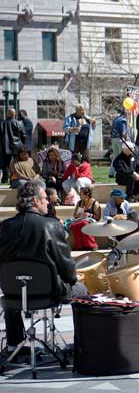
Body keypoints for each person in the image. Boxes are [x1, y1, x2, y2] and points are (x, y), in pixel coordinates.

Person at [0, 181, 87, 354]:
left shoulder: (4, 227)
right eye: (45, 198)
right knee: (82, 290)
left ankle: (13, 346)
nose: (48, 202)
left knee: (14, 282)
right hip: (49, 292)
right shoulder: (51, 225)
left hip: (13, 294)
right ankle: (82, 344)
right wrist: (71, 280)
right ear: (35, 201)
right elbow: (68, 271)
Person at [71, 186, 102, 250]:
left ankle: (92, 245)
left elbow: (98, 217)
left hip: (91, 221)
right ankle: (79, 246)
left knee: (83, 223)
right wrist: (80, 212)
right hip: (81, 219)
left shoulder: (95, 203)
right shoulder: (79, 203)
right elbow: (75, 215)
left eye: (80, 194)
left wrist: (90, 215)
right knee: (74, 225)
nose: (79, 195)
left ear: (86, 195)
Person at [0, 108, 26, 183]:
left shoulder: (2, 123)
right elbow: (23, 135)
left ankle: (5, 179)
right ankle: (14, 178)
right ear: (14, 114)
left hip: (5, 146)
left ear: (7, 114)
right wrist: (22, 145)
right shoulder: (19, 123)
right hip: (17, 147)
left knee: (5, 164)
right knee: (17, 163)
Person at [109, 109, 130, 177]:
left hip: (114, 139)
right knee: (122, 157)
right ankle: (121, 171)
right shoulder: (123, 120)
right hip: (120, 140)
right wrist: (126, 140)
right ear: (126, 113)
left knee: (115, 156)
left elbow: (112, 130)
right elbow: (123, 132)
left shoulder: (116, 119)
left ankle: (111, 173)